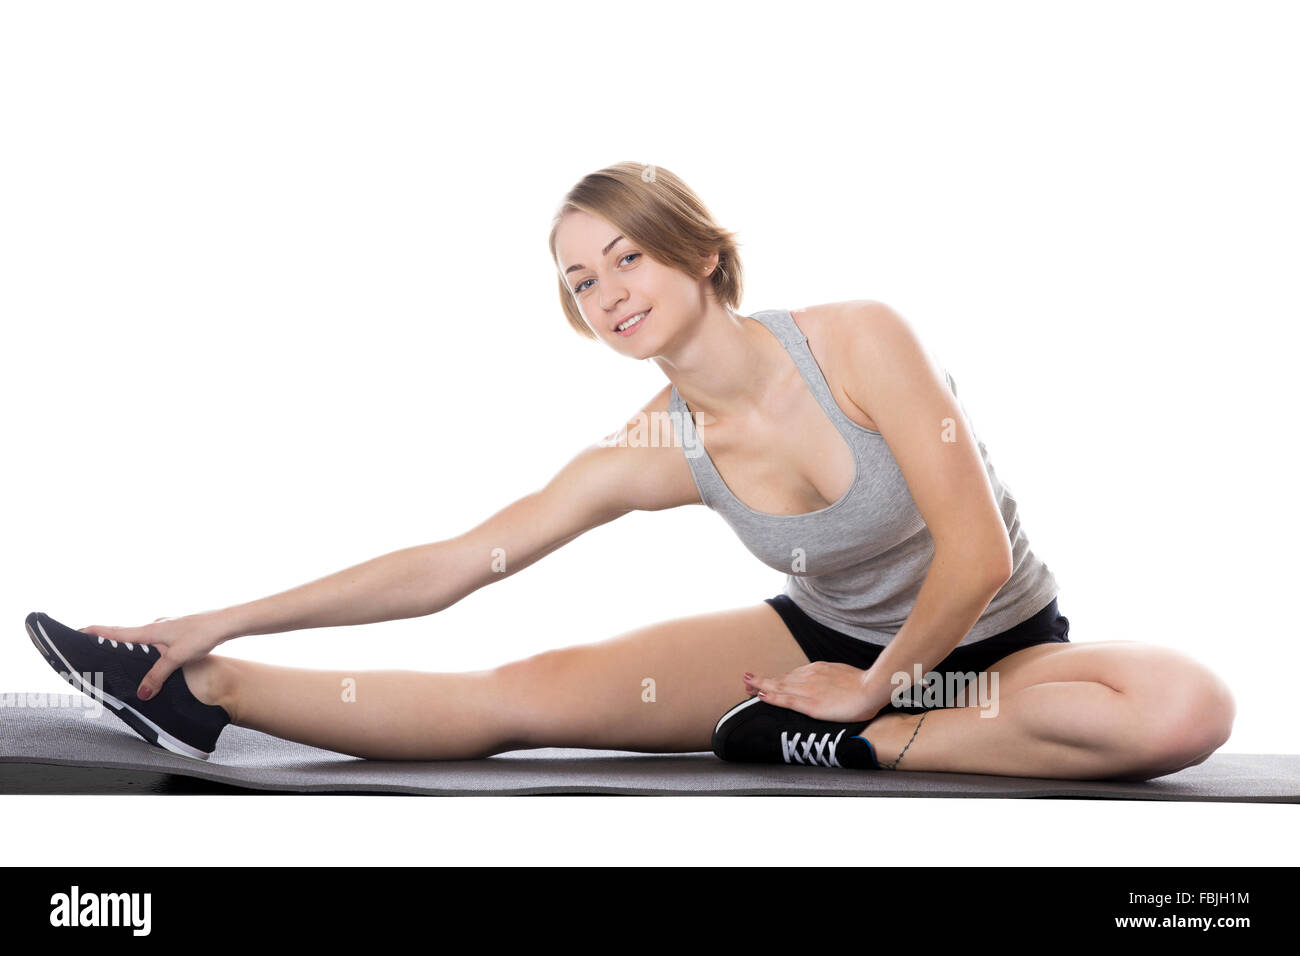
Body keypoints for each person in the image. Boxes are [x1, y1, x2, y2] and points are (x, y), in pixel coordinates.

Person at [39, 162, 1235, 780]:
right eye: (580, 279)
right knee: (524, 691)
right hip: (818, 655)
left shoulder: (860, 340)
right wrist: (218, 621)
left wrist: (875, 699)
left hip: (997, 659)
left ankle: (859, 742)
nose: (609, 290)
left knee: (1182, 706)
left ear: (701, 253)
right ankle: (198, 692)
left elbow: (972, 556)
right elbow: (460, 560)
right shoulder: (662, 444)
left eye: (627, 255)